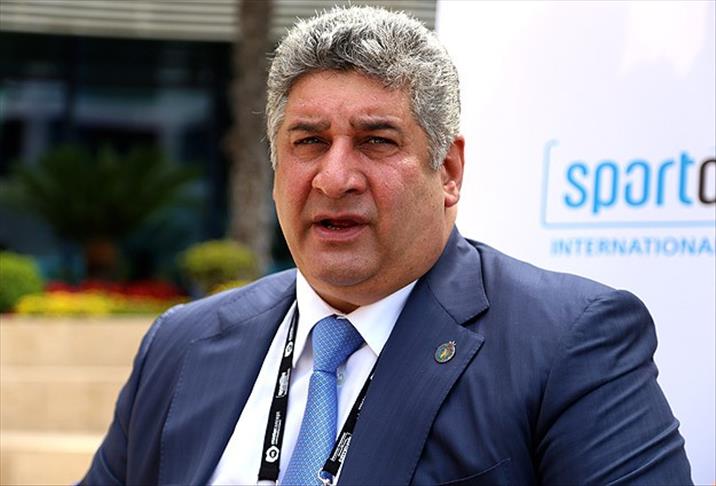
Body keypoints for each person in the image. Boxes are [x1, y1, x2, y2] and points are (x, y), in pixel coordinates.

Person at [81, 6, 692, 485]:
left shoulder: (569, 344)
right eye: (309, 142)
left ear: (448, 171)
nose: (334, 178)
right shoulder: (180, 344)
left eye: (376, 140)